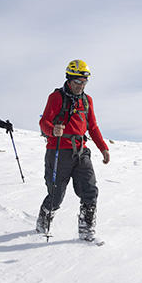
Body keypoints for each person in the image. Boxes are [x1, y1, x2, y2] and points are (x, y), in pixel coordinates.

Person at [37, 60, 110, 242]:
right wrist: (52, 130)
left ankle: (86, 232)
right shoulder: (56, 98)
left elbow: (92, 126)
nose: (81, 85)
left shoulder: (87, 100)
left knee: (90, 190)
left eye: (85, 81)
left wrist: (103, 148)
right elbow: (44, 122)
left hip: (81, 151)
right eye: (78, 81)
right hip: (58, 150)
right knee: (56, 195)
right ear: (69, 79)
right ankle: (44, 217)